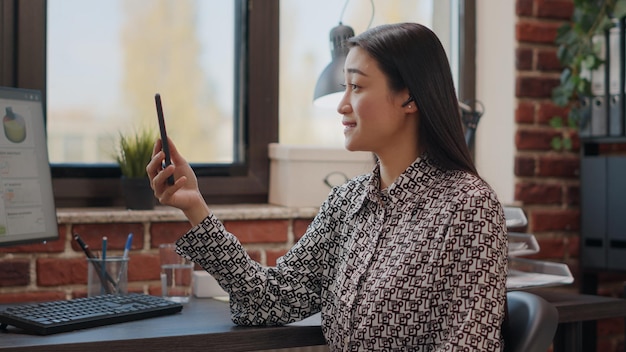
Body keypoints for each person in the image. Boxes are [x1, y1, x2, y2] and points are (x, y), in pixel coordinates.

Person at [147, 22, 508, 351]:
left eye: (357, 87)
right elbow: (270, 300)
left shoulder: (467, 206)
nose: (342, 105)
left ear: (409, 97)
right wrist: (195, 207)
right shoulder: (347, 202)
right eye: (344, 88)